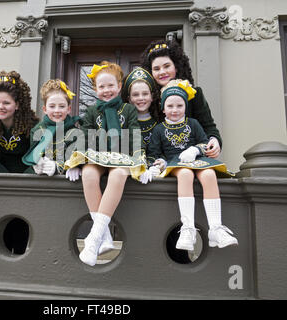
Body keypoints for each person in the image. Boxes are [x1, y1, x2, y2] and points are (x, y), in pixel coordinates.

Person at [65, 61, 146, 266]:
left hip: (122, 157)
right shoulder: (92, 111)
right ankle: (105, 238)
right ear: (95, 89)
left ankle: (94, 238)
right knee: (89, 173)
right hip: (98, 156)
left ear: (119, 86)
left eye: (110, 85)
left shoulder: (127, 110)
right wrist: (74, 161)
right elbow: (84, 136)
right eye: (101, 86)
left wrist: (140, 160)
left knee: (119, 174)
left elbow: (135, 135)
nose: (106, 90)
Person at [145, 79, 238, 251]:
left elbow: (204, 143)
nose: (175, 110)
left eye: (179, 106)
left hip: (198, 161)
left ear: (185, 107)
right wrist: (160, 162)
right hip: (177, 164)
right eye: (170, 106)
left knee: (210, 174)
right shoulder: (159, 129)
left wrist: (195, 149)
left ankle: (215, 229)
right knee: (186, 174)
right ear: (163, 108)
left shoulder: (193, 124)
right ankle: (188, 228)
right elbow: (153, 153)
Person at [141, 40, 222, 159]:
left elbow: (209, 127)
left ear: (177, 67)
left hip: (191, 160)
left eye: (167, 66)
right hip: (158, 163)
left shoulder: (195, 94)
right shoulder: (147, 99)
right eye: (156, 69)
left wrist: (214, 140)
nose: (162, 72)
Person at [22, 79, 81, 176]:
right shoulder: (37, 130)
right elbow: (34, 154)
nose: (57, 110)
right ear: (45, 109)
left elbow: (77, 157)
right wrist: (36, 164)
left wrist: (62, 167)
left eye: (62, 106)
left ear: (68, 109)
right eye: (52, 106)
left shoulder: (75, 133)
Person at [0, 71, 39, 173]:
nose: (0, 107)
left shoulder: (33, 127)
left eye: (6, 103)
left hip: (26, 177)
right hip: (1, 175)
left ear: (17, 105)